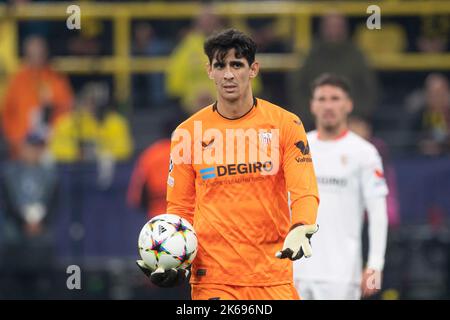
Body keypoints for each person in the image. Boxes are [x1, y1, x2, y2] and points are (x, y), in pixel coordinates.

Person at [136, 29, 320, 300]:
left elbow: (303, 189)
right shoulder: (187, 133)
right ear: (209, 71)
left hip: (273, 276)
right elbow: (180, 209)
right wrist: (174, 259)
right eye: (220, 65)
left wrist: (302, 225)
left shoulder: (285, 124)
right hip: (213, 279)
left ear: (253, 69)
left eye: (237, 64)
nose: (229, 74)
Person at [293, 73, 389, 300]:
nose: (328, 105)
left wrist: (375, 264)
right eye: (322, 99)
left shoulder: (365, 153)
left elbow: (378, 213)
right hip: (294, 271)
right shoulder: (296, 148)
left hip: (342, 275)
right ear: (312, 105)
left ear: (349, 105)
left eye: (335, 98)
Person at [290, 12, 378, 131]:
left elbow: (369, 89)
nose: (334, 30)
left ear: (345, 29)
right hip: (313, 120)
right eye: (330, 26)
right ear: (322, 28)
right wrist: (312, 116)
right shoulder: (311, 55)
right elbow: (297, 89)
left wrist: (356, 115)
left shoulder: (357, 55)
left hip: (352, 119)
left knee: (360, 131)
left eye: (338, 26)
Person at [1, 35, 73, 158]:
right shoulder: (17, 82)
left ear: (46, 54)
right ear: (26, 56)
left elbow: (66, 112)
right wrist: (18, 146)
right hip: (21, 150)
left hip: (52, 149)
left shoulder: (56, 80)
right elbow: (8, 117)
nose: (36, 58)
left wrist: (49, 145)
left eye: (40, 54)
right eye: (32, 55)